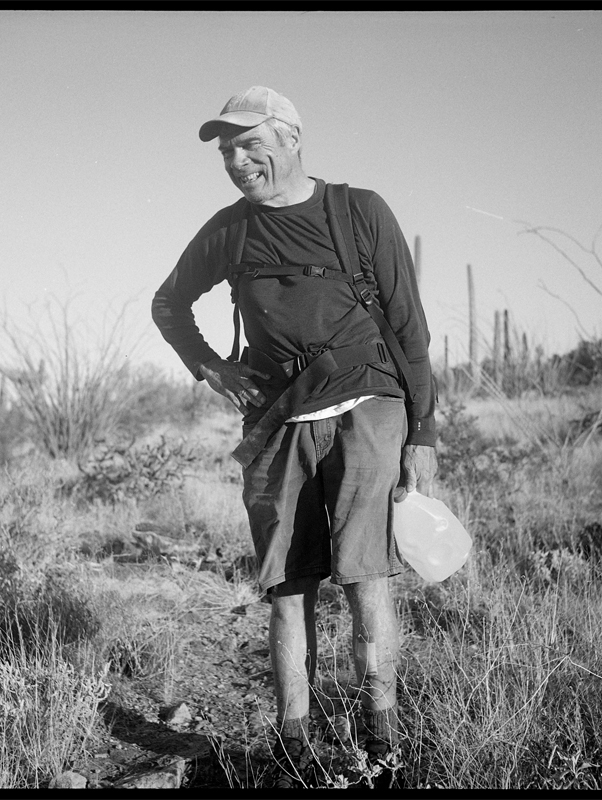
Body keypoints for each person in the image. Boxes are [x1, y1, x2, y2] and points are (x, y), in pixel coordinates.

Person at [152, 86, 437, 789]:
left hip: (368, 409)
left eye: (251, 144)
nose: (237, 160)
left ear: (292, 139)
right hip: (277, 423)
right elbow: (168, 303)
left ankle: (383, 750)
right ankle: (295, 751)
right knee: (287, 588)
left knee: (366, 582)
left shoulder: (358, 211)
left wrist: (423, 435)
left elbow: (409, 328)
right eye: (227, 150)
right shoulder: (230, 229)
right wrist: (213, 368)